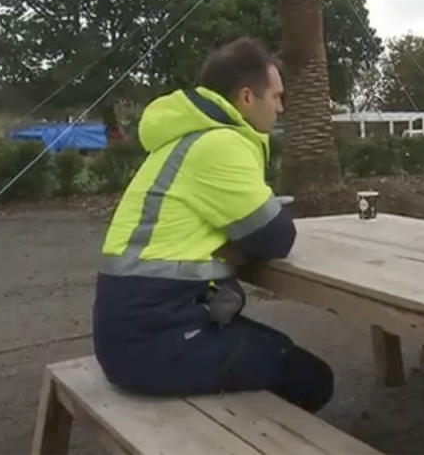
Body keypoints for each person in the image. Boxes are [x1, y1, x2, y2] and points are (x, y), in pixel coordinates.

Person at [92, 38, 333, 412]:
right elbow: (276, 237)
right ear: (247, 98)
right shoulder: (221, 145)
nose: (281, 108)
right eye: (277, 97)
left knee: (279, 349)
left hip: (136, 330)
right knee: (312, 379)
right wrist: (244, 238)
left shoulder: (187, 139)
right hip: (154, 342)